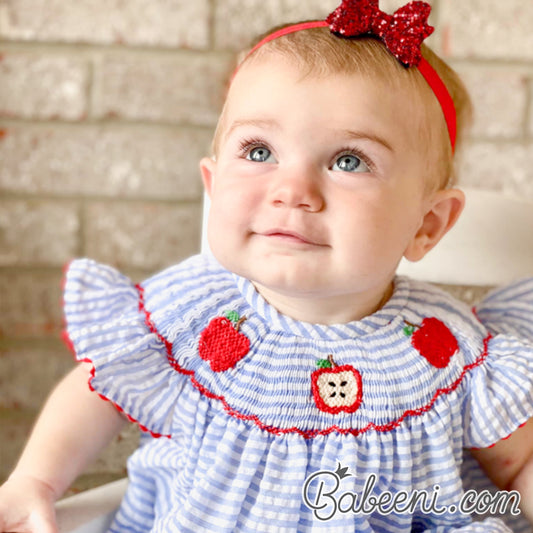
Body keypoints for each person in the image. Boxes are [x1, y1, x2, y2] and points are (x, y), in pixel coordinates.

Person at [1, 0, 533, 531]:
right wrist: (36, 482)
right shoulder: (191, 311)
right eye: (259, 151)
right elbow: (97, 391)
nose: (292, 191)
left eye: (349, 160)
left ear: (428, 225)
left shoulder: (445, 349)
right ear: (214, 185)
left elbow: (518, 464)